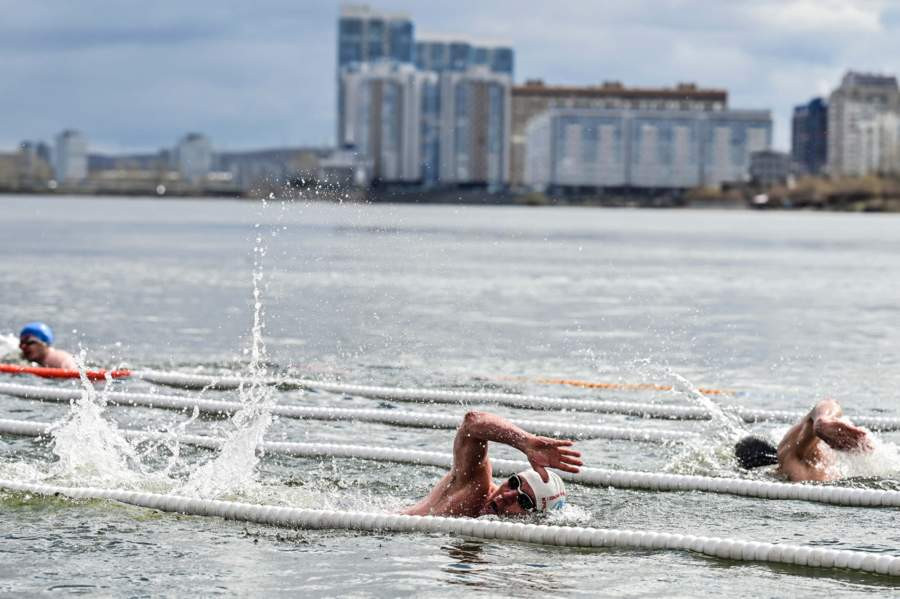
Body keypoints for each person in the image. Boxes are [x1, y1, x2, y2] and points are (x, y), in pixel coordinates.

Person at [402, 411, 582, 517]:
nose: (507, 495)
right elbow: (471, 422)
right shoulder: (475, 487)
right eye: (514, 483)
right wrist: (525, 442)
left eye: (524, 501)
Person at [734, 399, 873, 482]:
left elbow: (825, 405)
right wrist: (823, 418)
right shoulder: (794, 458)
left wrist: (822, 419)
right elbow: (828, 402)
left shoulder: (790, 459)